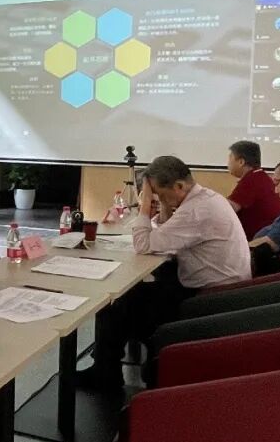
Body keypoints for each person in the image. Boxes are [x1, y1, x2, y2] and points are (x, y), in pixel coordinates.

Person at [78, 155, 251, 392]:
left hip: (211, 297)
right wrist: (166, 207)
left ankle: (105, 375)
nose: (157, 199)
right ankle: (107, 366)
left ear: (179, 186)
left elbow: (144, 244)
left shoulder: (195, 211)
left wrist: (144, 206)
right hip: (223, 285)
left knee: (115, 305)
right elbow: (166, 231)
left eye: (158, 193)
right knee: (139, 290)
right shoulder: (206, 198)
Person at [225, 140, 280, 239]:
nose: (228, 163)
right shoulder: (259, 176)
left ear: (241, 162)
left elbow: (225, 210)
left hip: (257, 241)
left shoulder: (251, 180)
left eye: (230, 158)